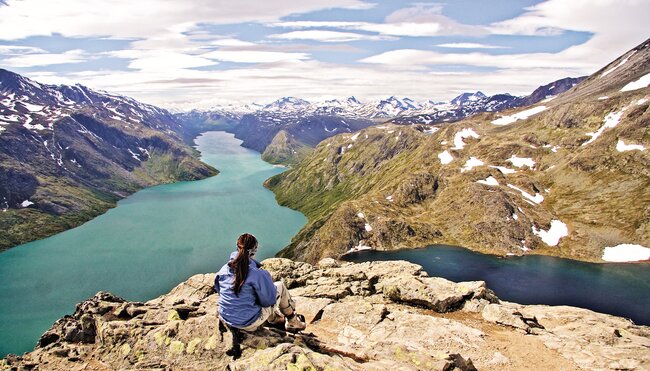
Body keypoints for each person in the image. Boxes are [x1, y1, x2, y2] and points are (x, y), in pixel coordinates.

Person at [214, 233, 306, 332]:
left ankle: (277, 320)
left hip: (226, 318)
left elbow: (220, 291)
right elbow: (268, 301)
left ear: (237, 247)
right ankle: (292, 321)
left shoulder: (224, 269)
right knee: (279, 286)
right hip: (247, 323)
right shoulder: (258, 274)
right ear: (255, 250)